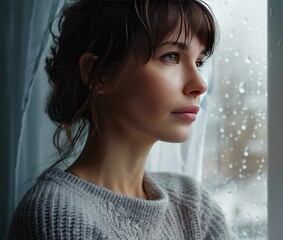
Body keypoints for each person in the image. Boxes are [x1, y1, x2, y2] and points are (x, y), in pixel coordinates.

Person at [9, 0, 235, 239]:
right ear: (98, 74)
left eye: (199, 62)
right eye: (171, 57)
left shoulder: (194, 207)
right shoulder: (55, 215)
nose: (200, 85)